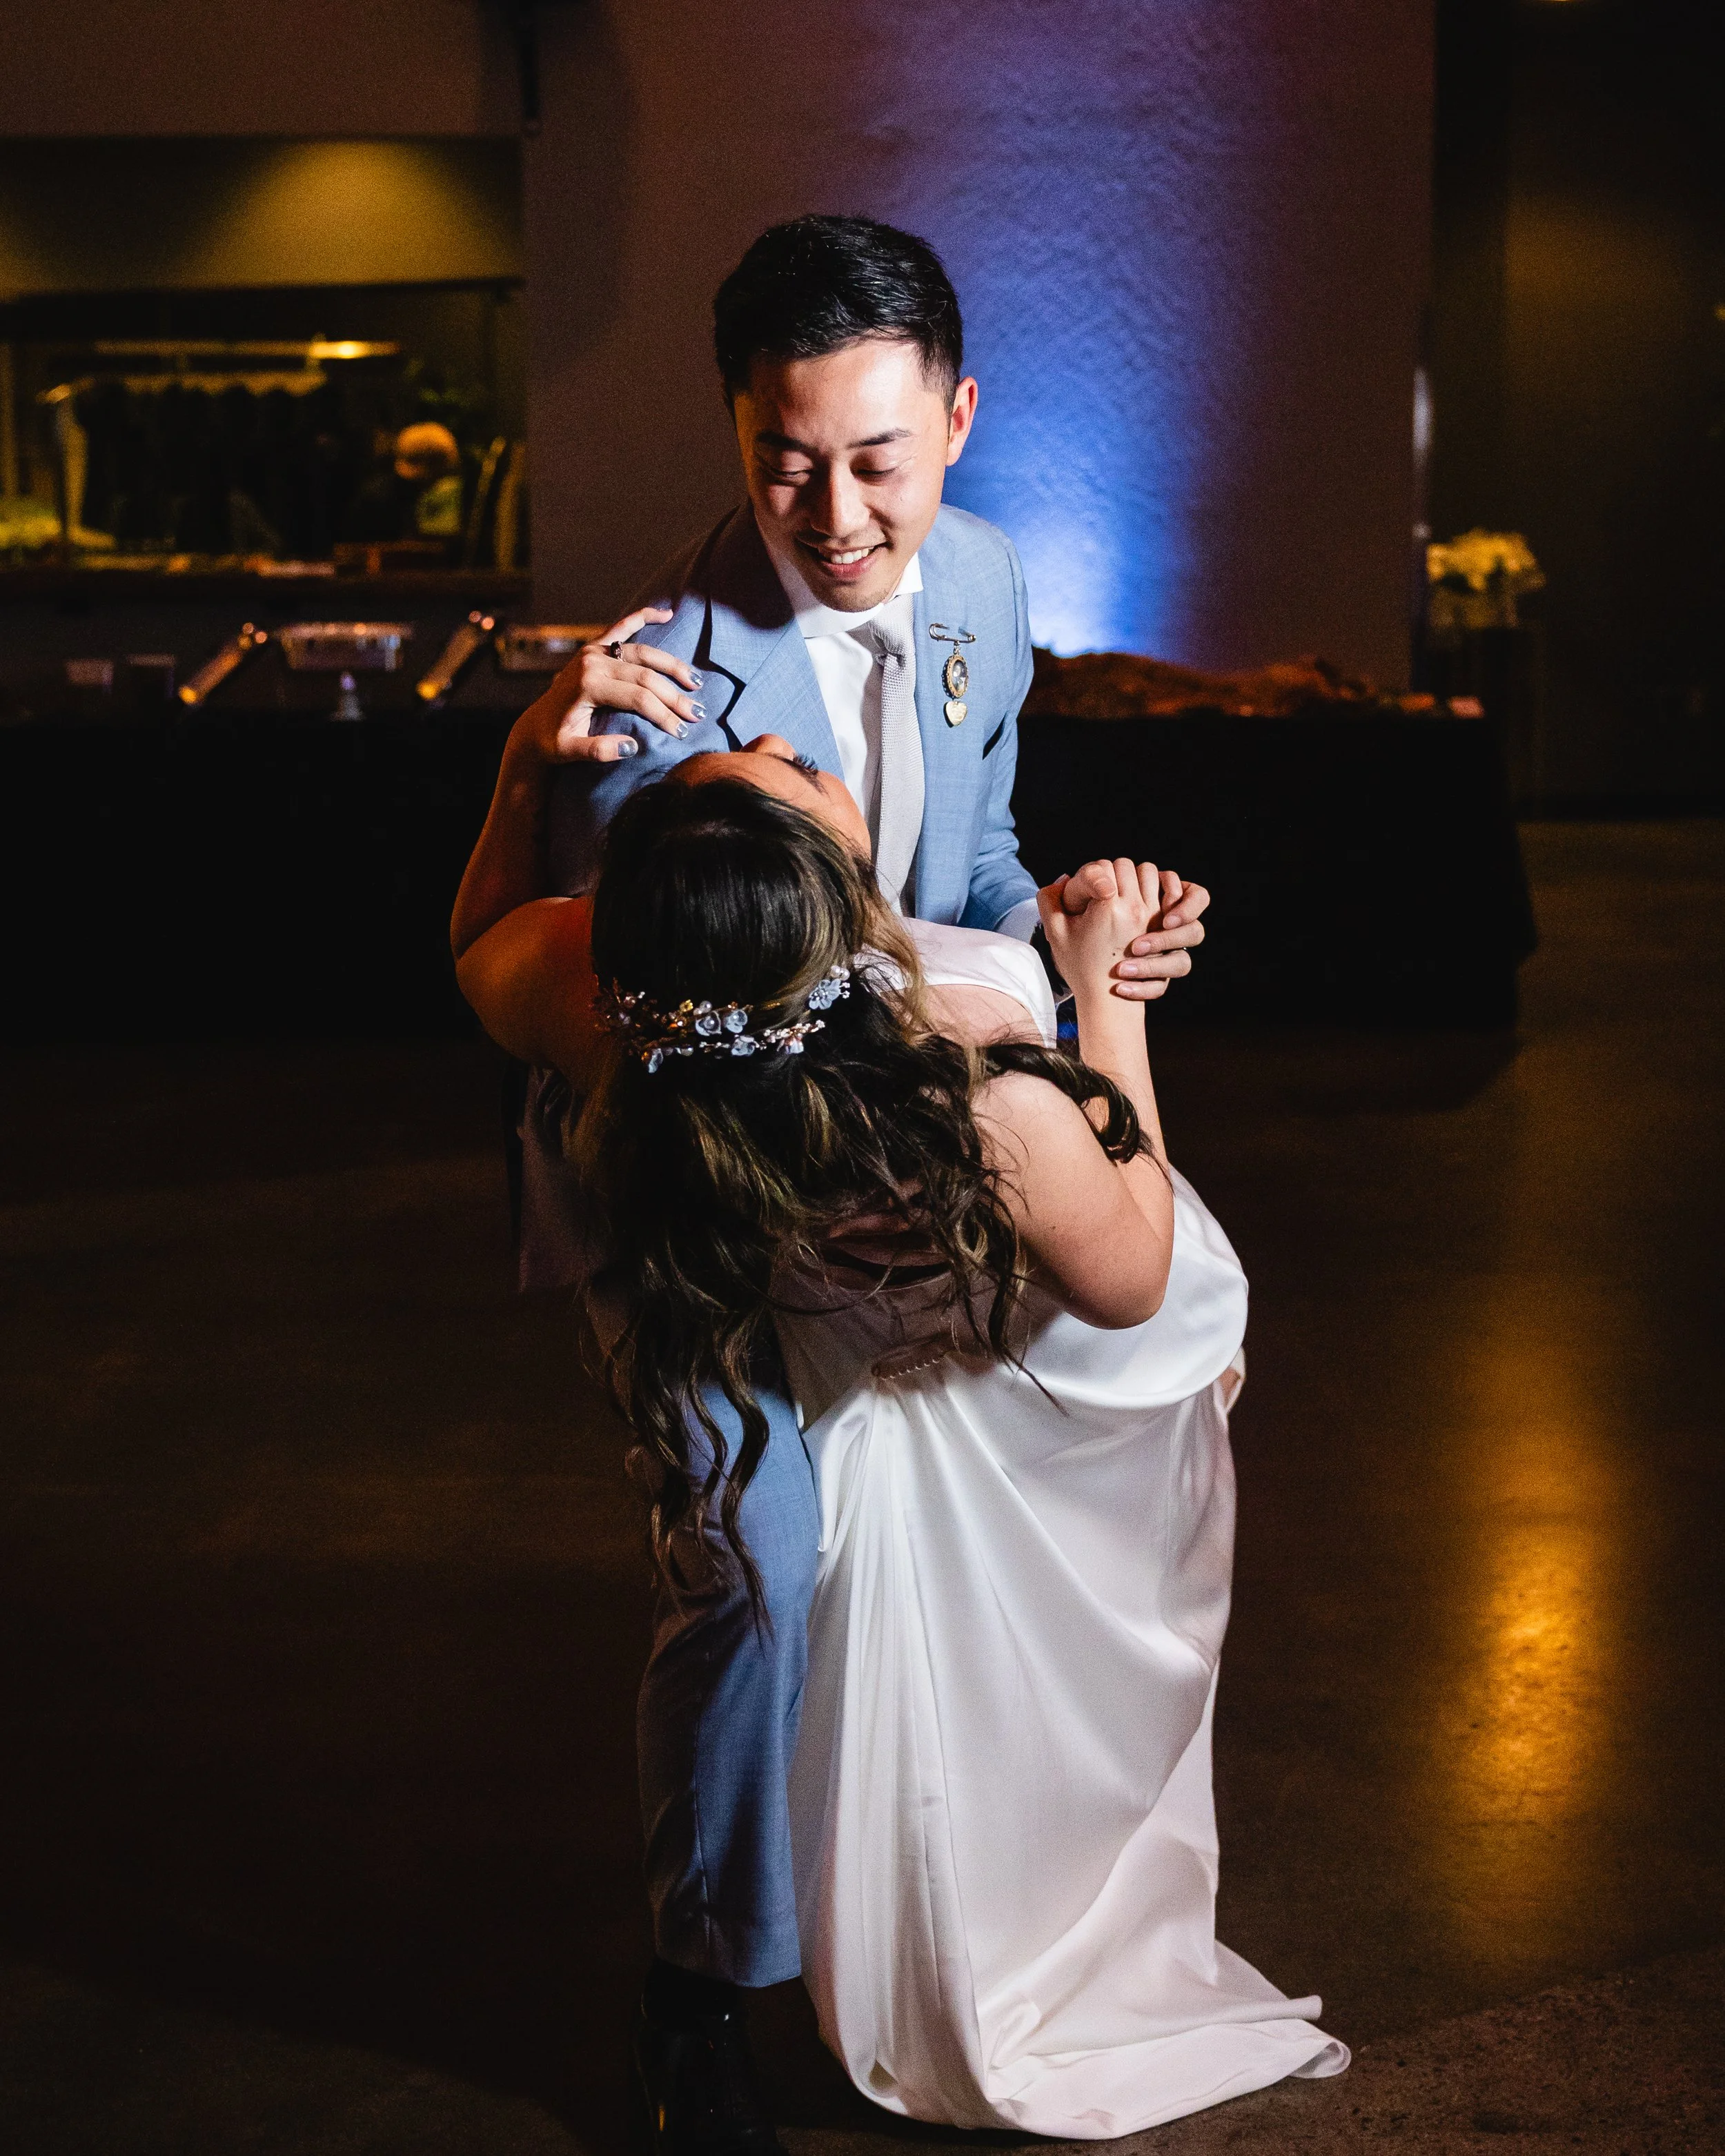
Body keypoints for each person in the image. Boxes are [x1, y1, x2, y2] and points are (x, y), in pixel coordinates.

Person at [455, 215, 1213, 2153]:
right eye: (787, 459)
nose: (839, 510)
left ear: (954, 420)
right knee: (759, 1563)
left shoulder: (983, 578)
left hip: (913, 1128)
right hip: (696, 1176)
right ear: (734, 429)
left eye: (879, 457)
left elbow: (973, 868)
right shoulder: (651, 698)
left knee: (1029, 1484)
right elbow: (591, 1007)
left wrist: (1066, 951)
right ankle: (703, 1982)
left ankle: (979, 1905)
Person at [453, 730, 1348, 2139]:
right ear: (836, 892)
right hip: (1035, 1359)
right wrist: (1103, 992)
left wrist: (523, 761)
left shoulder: (604, 1004)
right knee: (938, 1629)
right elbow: (1131, 1278)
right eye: (763, 781)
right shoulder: (980, 1069)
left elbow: (480, 942)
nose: (750, 739)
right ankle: (889, 1947)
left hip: (828, 1342)